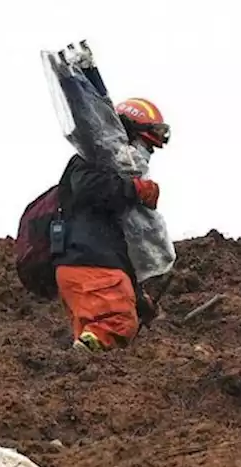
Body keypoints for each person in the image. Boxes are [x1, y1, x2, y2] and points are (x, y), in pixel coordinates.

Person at [54, 98, 169, 353]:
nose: (147, 154)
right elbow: (89, 188)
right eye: (146, 145)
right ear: (126, 134)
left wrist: (138, 299)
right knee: (115, 325)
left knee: (99, 348)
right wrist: (135, 189)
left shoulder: (111, 168)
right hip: (91, 265)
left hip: (88, 265)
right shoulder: (92, 157)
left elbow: (118, 242)